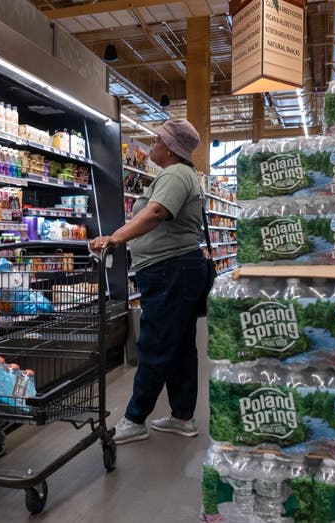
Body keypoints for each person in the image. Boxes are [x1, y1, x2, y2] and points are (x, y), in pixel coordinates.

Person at [90, 118, 208, 444]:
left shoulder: (175, 174)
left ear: (169, 148)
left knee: (154, 343)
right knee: (181, 345)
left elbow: (155, 213)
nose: (152, 145)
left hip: (170, 270)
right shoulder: (179, 174)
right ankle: (182, 416)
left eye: (157, 141)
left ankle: (135, 418)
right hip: (176, 270)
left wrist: (114, 238)